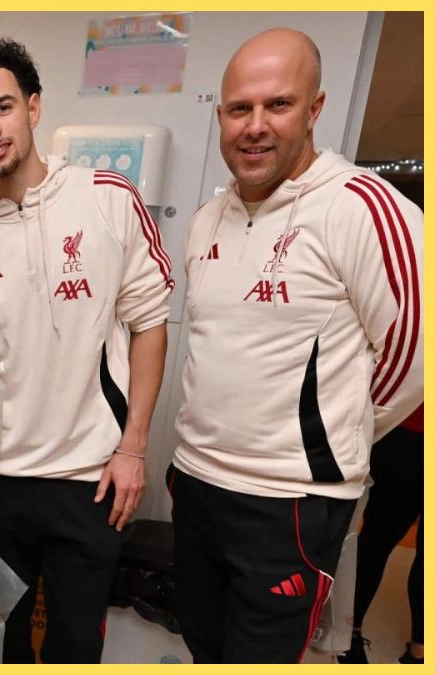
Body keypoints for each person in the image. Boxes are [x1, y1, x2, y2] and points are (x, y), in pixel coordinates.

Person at [171, 28, 423, 663]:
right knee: (204, 646)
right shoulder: (207, 219)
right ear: (220, 115)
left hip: (290, 503)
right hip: (198, 483)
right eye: (238, 108)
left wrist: (339, 431)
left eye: (277, 105)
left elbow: (414, 354)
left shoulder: (359, 207)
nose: (254, 126)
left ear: (314, 109)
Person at [0, 39, 174, 663]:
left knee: (73, 644)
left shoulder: (107, 198)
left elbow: (149, 325)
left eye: (3, 107)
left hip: (92, 478)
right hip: (1, 485)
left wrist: (133, 447)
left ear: (33, 108)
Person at [340, 406, 423, 664]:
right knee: (377, 540)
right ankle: (348, 631)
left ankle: (420, 648)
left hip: (404, 428)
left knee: (378, 542)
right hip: (405, 430)